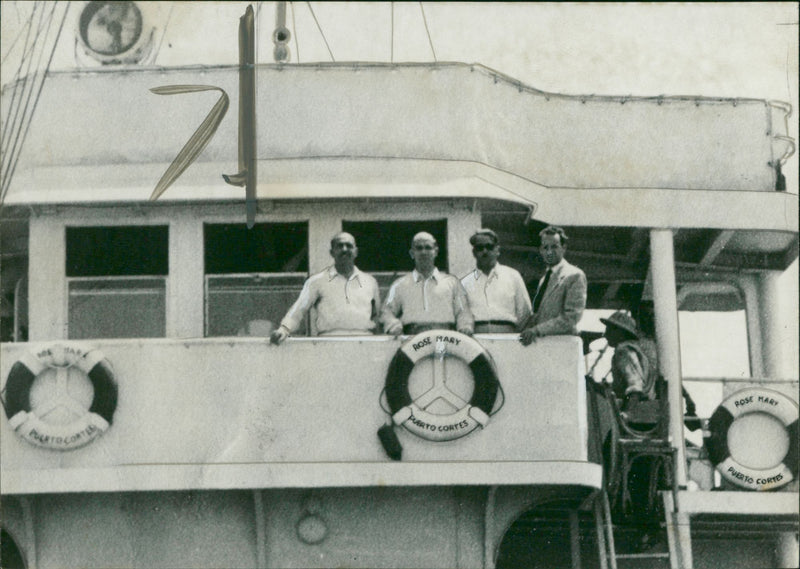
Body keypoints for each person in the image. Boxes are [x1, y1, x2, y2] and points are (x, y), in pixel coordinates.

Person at [270, 232, 381, 344]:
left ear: (356, 252)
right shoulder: (317, 281)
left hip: (364, 343)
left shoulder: (370, 282)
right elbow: (298, 310)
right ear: (332, 252)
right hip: (329, 343)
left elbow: (379, 317)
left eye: (349, 246)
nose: (344, 249)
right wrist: (284, 329)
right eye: (340, 246)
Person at [381, 232, 474, 336]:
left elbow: (463, 311)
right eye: (419, 248)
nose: (424, 252)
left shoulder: (452, 283)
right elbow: (386, 312)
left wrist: (465, 327)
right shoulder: (399, 285)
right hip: (413, 339)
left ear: (436, 251)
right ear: (412, 253)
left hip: (446, 338)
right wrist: (393, 326)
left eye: (428, 247)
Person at [520, 226, 587, 345]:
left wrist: (536, 330)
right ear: (541, 250)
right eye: (546, 247)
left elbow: (571, 317)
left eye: (554, 246)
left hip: (563, 344)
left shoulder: (574, 275)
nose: (549, 252)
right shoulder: (544, 279)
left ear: (563, 248)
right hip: (545, 345)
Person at [460, 228, 532, 333]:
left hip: (507, 335)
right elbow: (462, 314)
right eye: (480, 248)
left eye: (489, 247)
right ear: (474, 252)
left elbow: (525, 312)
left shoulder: (512, 276)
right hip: (477, 335)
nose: (484, 251)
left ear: (497, 250)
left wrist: (511, 332)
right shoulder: (465, 282)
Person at [600, 310, 659, 409]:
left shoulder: (623, 352)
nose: (605, 335)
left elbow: (635, 388)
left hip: (637, 410)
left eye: (608, 330)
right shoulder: (635, 350)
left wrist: (627, 413)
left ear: (619, 332)